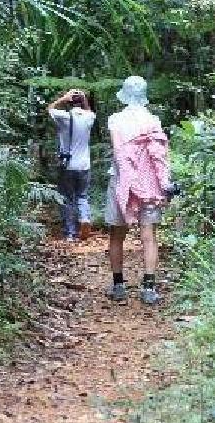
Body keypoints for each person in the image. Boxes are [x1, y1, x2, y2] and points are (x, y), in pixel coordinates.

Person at [104, 75, 170, 305]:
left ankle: (119, 285)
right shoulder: (153, 120)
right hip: (149, 183)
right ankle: (149, 288)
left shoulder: (115, 119)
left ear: (124, 94)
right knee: (149, 235)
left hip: (121, 181)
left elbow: (117, 151)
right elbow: (159, 155)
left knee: (117, 234)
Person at [47, 88, 96, 241]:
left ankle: (70, 233)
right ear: (83, 102)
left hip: (67, 165)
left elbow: (49, 109)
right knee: (82, 195)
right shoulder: (90, 117)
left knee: (68, 198)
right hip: (84, 165)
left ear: (70, 102)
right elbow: (89, 110)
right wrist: (84, 99)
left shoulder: (63, 117)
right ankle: (85, 218)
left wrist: (63, 98)